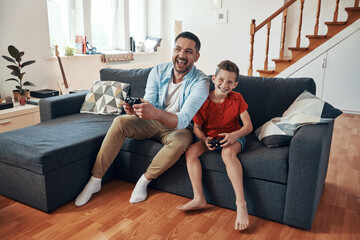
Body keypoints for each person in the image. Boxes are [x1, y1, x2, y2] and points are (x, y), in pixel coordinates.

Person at [75, 31, 209, 207]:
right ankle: (95, 180)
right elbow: (150, 102)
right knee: (120, 122)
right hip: (152, 122)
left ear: (196, 56)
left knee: (181, 141)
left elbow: (184, 119)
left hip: (178, 128)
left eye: (188, 51)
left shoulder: (201, 82)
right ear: (173, 50)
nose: (181, 55)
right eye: (178, 49)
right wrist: (136, 110)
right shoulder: (158, 71)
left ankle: (144, 180)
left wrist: (153, 113)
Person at [177, 60, 253, 231]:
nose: (224, 85)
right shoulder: (203, 100)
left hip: (234, 137)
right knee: (191, 152)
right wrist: (204, 140)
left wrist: (234, 135)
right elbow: (196, 127)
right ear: (213, 78)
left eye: (229, 82)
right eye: (221, 79)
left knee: (227, 154)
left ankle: (241, 204)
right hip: (210, 138)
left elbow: (248, 126)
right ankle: (199, 198)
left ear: (235, 84)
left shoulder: (237, 98)